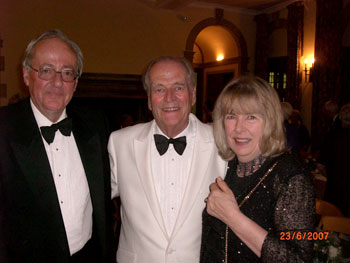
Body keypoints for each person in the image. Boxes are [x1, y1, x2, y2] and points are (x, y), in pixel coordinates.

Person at [0, 30, 113, 263]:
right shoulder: (3, 128)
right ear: (26, 75)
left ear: (76, 82)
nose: (57, 82)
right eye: (46, 70)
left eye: (67, 72)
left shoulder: (95, 124)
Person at [108, 56, 226, 263]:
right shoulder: (120, 142)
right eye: (159, 89)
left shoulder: (222, 142)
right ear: (149, 99)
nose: (169, 97)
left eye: (178, 87)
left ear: (193, 94)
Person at [200, 76, 315, 262]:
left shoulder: (291, 175)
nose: (238, 128)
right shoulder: (226, 166)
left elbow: (298, 258)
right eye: (231, 116)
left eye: (251, 117)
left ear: (270, 120)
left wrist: (233, 217)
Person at [318, 103, 350, 216]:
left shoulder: (332, 137)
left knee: (332, 223)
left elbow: (320, 165)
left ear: (340, 117)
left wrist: (331, 175)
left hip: (335, 190)